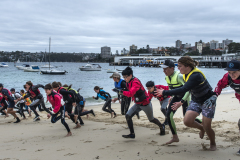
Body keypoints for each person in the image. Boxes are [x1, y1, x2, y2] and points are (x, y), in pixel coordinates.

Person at [156, 56, 217, 151]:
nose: (178, 68)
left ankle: (213, 144)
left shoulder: (195, 75)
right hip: (196, 100)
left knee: (207, 126)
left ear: (187, 66)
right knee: (187, 121)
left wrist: (165, 92)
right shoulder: (185, 73)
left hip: (207, 100)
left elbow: (184, 89)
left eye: (180, 66)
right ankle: (201, 128)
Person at [159, 59, 201, 144]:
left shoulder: (179, 76)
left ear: (172, 68)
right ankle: (175, 137)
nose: (164, 71)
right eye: (163, 69)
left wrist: (181, 102)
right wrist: (172, 97)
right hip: (177, 97)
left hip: (185, 98)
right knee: (169, 115)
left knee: (187, 118)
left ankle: (204, 124)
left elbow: (188, 90)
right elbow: (171, 88)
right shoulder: (167, 77)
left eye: (165, 69)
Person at [121, 67, 165, 139]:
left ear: (130, 75)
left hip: (145, 104)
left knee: (151, 119)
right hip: (138, 103)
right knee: (128, 116)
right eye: (123, 77)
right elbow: (128, 91)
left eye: (126, 77)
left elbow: (131, 93)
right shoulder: (128, 82)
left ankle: (161, 126)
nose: (125, 79)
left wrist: (122, 92)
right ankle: (132, 134)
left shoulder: (135, 82)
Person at [213, 60, 240, 154]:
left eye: (234, 72)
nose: (232, 75)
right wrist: (215, 95)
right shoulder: (227, 77)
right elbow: (219, 85)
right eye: (229, 72)